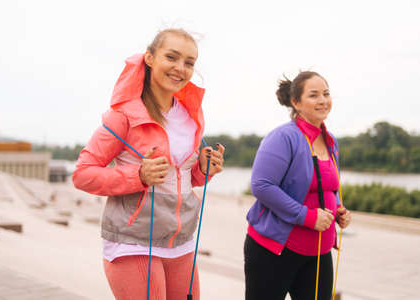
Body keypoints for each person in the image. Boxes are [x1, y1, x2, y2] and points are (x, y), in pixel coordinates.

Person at [72, 28, 225, 300]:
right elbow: (83, 174)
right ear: (150, 58)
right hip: (133, 241)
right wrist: (138, 176)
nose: (180, 68)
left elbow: (183, 177)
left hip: (181, 241)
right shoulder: (124, 115)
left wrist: (203, 169)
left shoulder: (191, 117)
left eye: (189, 62)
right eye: (172, 57)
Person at [244, 71, 351, 300]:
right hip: (275, 249)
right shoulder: (283, 137)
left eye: (326, 93)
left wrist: (339, 209)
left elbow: (330, 187)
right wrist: (307, 217)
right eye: (313, 95)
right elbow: (262, 185)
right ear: (296, 102)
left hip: (319, 252)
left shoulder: (331, 141)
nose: (322, 100)